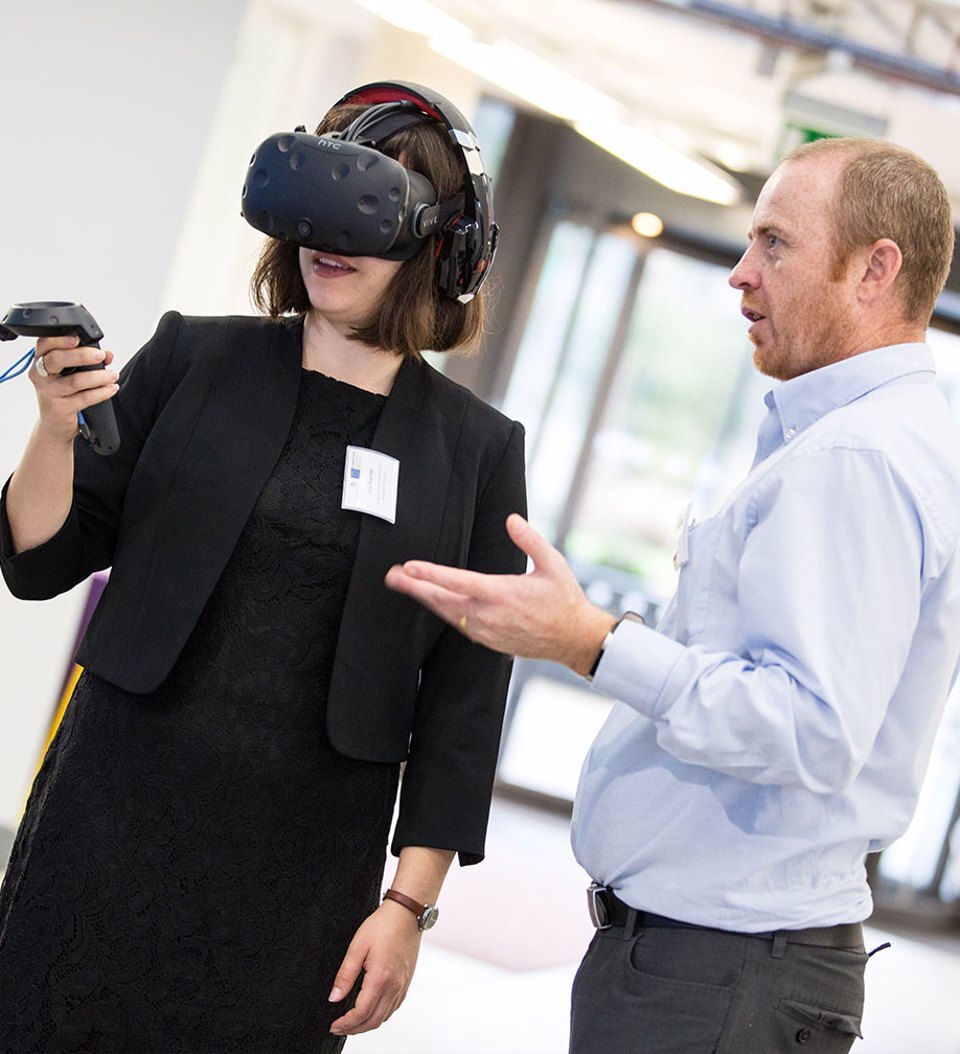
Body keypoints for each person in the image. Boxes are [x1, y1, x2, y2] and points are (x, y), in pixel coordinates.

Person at [386, 136, 960, 1053]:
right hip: (720, 964)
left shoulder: (858, 459)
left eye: (775, 243)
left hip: (723, 974)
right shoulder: (857, 440)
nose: (741, 274)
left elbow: (808, 726)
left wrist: (593, 643)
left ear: (874, 270)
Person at [0, 81, 526, 1052]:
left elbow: (464, 700)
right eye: (322, 198)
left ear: (441, 241)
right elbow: (39, 562)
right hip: (110, 817)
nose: (333, 236)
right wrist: (54, 430)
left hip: (304, 867)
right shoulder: (193, 360)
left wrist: (408, 908)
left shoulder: (476, 448)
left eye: (375, 209)